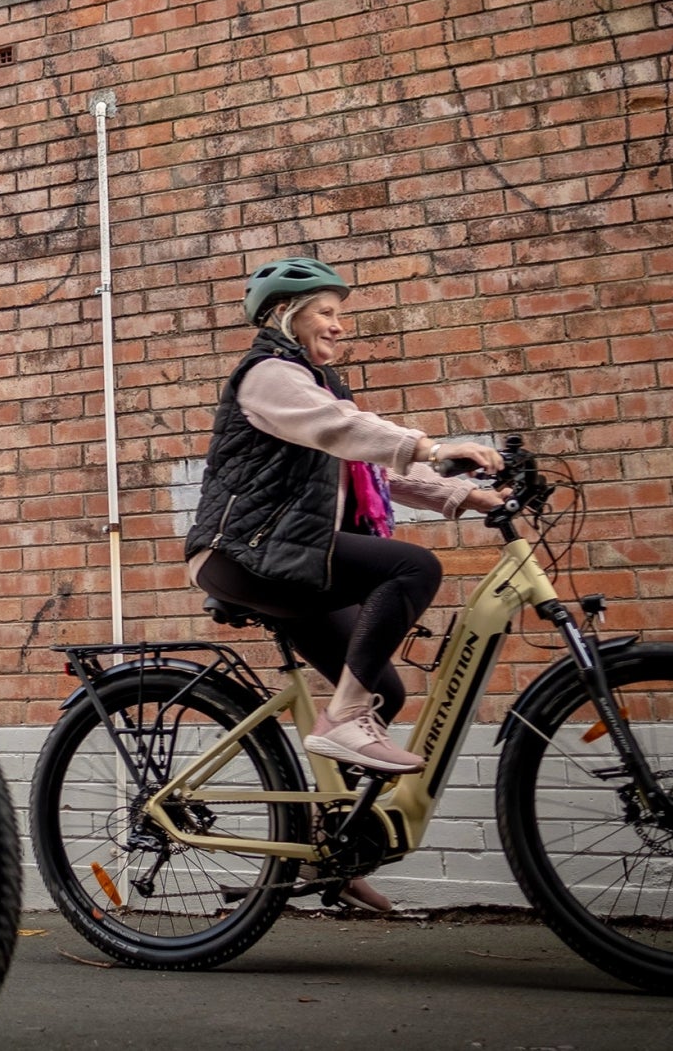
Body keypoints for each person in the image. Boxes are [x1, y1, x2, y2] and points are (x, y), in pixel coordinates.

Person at [183, 256, 502, 911]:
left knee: (381, 687)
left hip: (284, 557)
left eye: (337, 311)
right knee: (411, 568)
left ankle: (335, 848)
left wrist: (470, 497)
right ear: (286, 315)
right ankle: (342, 717)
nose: (339, 323)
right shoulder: (271, 375)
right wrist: (432, 444)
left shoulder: (319, 384)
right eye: (326, 311)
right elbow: (344, 432)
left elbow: (369, 468)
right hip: (245, 552)